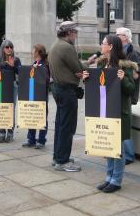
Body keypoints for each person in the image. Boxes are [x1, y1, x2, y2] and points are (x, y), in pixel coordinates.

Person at [84, 35, 136, 193]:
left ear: (111, 46)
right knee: (108, 146)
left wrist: (123, 80)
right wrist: (87, 78)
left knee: (117, 148)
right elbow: (98, 85)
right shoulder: (101, 63)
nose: (101, 45)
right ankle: (109, 177)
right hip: (104, 110)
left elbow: (131, 89)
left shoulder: (124, 66)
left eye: (103, 43)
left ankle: (116, 180)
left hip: (119, 112)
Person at [48, 21, 88, 172]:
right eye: (75, 33)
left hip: (58, 89)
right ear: (69, 33)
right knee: (67, 127)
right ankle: (62, 161)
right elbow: (78, 68)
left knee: (60, 125)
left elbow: (73, 67)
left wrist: (80, 67)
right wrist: (89, 64)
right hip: (66, 91)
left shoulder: (56, 45)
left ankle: (58, 156)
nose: (76, 36)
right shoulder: (67, 47)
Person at [116, 27, 140, 165]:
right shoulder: (121, 52)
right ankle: (121, 151)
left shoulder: (132, 53)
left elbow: (136, 75)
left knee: (126, 125)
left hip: (128, 92)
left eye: (118, 35)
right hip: (120, 91)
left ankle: (129, 155)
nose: (116, 36)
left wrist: (126, 74)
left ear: (125, 37)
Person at [0, 39, 21, 143]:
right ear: (3, 48)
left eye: (11, 47)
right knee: (1, 109)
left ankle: (10, 133)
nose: (9, 49)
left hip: (12, 86)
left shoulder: (16, 59)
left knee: (10, 109)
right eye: (7, 47)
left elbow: (21, 72)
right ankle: (1, 133)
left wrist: (14, 66)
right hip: (0, 86)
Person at [22, 44, 50, 149]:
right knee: (32, 116)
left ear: (38, 52)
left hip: (41, 96)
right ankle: (31, 139)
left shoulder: (45, 64)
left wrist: (38, 70)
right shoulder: (34, 63)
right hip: (32, 94)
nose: (32, 52)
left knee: (42, 117)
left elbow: (46, 79)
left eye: (33, 50)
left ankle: (41, 140)